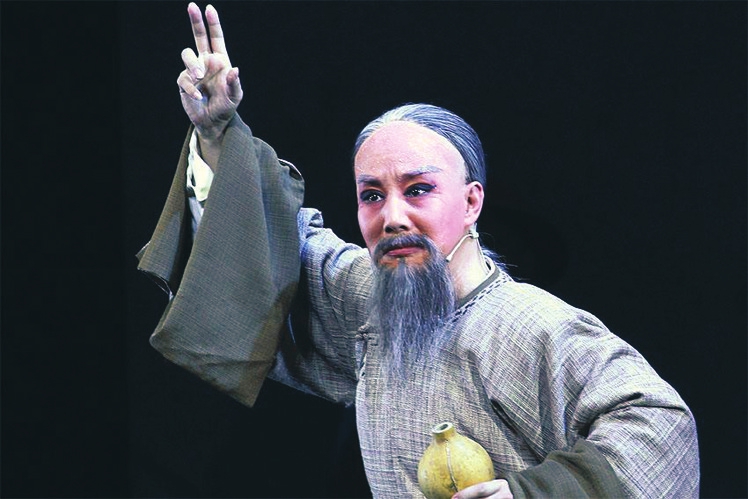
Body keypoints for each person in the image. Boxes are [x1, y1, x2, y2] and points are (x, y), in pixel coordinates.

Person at [137, 3, 700, 498]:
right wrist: (218, 135)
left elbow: (661, 427)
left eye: (418, 189)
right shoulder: (367, 299)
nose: (393, 216)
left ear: (472, 202)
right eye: (371, 195)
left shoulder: (529, 326)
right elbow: (272, 249)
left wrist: (529, 495)